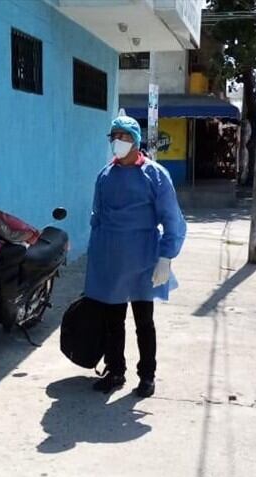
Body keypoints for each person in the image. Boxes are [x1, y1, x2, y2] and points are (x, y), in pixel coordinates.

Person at [84, 115, 187, 398]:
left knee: (144, 322)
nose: (118, 142)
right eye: (113, 136)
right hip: (111, 260)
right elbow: (97, 218)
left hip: (143, 259)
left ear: (136, 141)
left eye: (124, 136)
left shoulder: (155, 175)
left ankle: (147, 376)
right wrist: (95, 260)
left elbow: (173, 220)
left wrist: (166, 256)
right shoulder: (105, 175)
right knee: (112, 322)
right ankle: (115, 370)